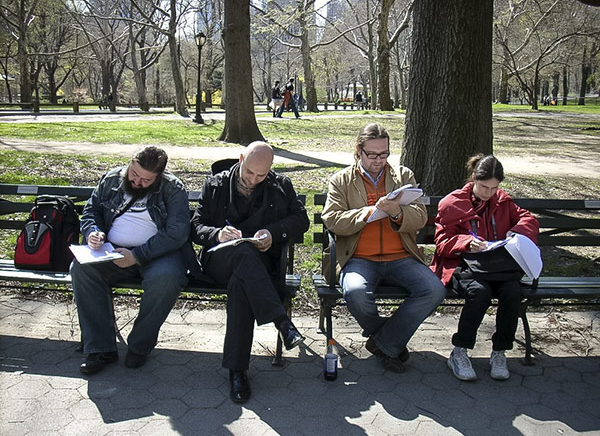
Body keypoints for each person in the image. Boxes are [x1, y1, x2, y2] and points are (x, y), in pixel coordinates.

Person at [321, 123, 446, 373]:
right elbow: (332, 219)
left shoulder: (403, 176)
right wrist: (370, 213)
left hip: (401, 256)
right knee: (355, 291)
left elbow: (420, 217)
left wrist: (397, 212)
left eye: (384, 153)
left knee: (434, 290)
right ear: (359, 151)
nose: (379, 160)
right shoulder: (342, 181)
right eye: (372, 154)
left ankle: (383, 343)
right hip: (358, 258)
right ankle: (389, 341)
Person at [190, 141, 309, 403]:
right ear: (241, 158)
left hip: (258, 268)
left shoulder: (280, 186)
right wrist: (217, 233)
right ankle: (281, 321)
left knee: (241, 282)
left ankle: (238, 371)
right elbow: (196, 226)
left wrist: (272, 233)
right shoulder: (216, 185)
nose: (254, 180)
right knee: (242, 253)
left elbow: (301, 220)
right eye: (249, 173)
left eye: (261, 175)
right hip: (218, 262)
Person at [71, 146, 190, 375]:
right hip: (112, 251)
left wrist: (136, 256)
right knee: (81, 269)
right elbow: (91, 211)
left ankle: (139, 346)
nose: (137, 182)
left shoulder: (172, 188)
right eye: (134, 174)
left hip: (157, 253)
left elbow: (177, 232)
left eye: (146, 180)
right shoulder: (111, 179)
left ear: (159, 177)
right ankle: (100, 348)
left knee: (168, 278)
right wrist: (93, 232)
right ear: (130, 164)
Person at [431, 154, 539, 381]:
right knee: (479, 292)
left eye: (494, 187)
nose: (489, 193)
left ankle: (499, 351)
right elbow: (441, 244)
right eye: (483, 187)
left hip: (497, 266)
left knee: (512, 292)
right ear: (473, 179)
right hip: (461, 264)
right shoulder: (452, 203)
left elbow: (528, 219)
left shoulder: (502, 200)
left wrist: (517, 231)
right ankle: (459, 351)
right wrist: (466, 243)